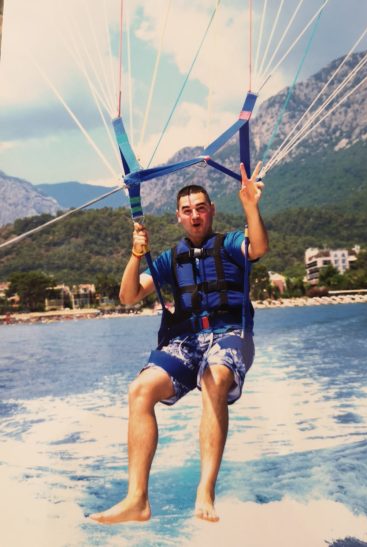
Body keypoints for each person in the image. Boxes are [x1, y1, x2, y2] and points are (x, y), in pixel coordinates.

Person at [89, 161, 268, 525]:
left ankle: (206, 490)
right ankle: (137, 500)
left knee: (215, 378)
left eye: (201, 208)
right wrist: (136, 254)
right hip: (187, 340)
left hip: (230, 334)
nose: (195, 216)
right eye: (187, 211)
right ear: (178, 217)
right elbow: (128, 296)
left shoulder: (232, 243)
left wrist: (251, 206)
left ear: (211, 210)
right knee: (140, 390)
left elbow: (258, 247)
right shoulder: (172, 258)